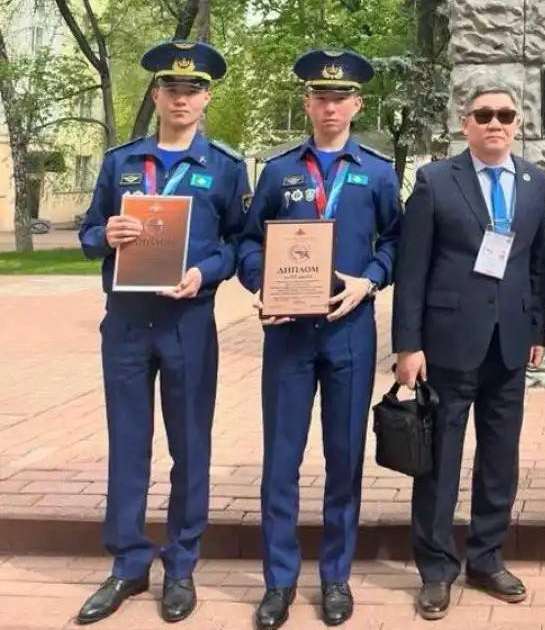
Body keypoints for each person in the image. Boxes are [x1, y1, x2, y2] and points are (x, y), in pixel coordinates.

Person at [75, 40, 249, 625]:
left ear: (206, 98)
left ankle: (180, 565)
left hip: (187, 323)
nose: (181, 98)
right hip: (126, 322)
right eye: (171, 89)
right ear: (156, 95)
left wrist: (205, 272)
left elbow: (238, 244)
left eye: (192, 90)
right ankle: (127, 564)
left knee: (190, 446)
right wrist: (106, 235)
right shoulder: (120, 162)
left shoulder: (225, 167)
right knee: (128, 444)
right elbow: (88, 233)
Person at [236, 49, 402, 629]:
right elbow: (249, 241)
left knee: (344, 458)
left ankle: (335, 577)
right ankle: (279, 581)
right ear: (307, 103)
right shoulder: (279, 170)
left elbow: (396, 241)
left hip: (349, 333)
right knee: (281, 460)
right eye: (321, 97)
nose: (331, 107)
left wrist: (370, 280)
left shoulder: (377, 171)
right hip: (288, 335)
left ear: (357, 105)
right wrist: (261, 284)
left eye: (341, 98)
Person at [392, 85, 545, 621]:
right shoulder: (436, 181)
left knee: (500, 460)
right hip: (447, 344)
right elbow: (412, 268)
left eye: (505, 115)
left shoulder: (533, 181)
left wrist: (536, 329)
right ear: (466, 124)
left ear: (517, 123)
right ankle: (436, 569)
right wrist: (408, 345)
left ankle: (486, 558)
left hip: (509, 345)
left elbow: (540, 261)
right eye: (484, 115)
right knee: (440, 460)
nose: (495, 123)